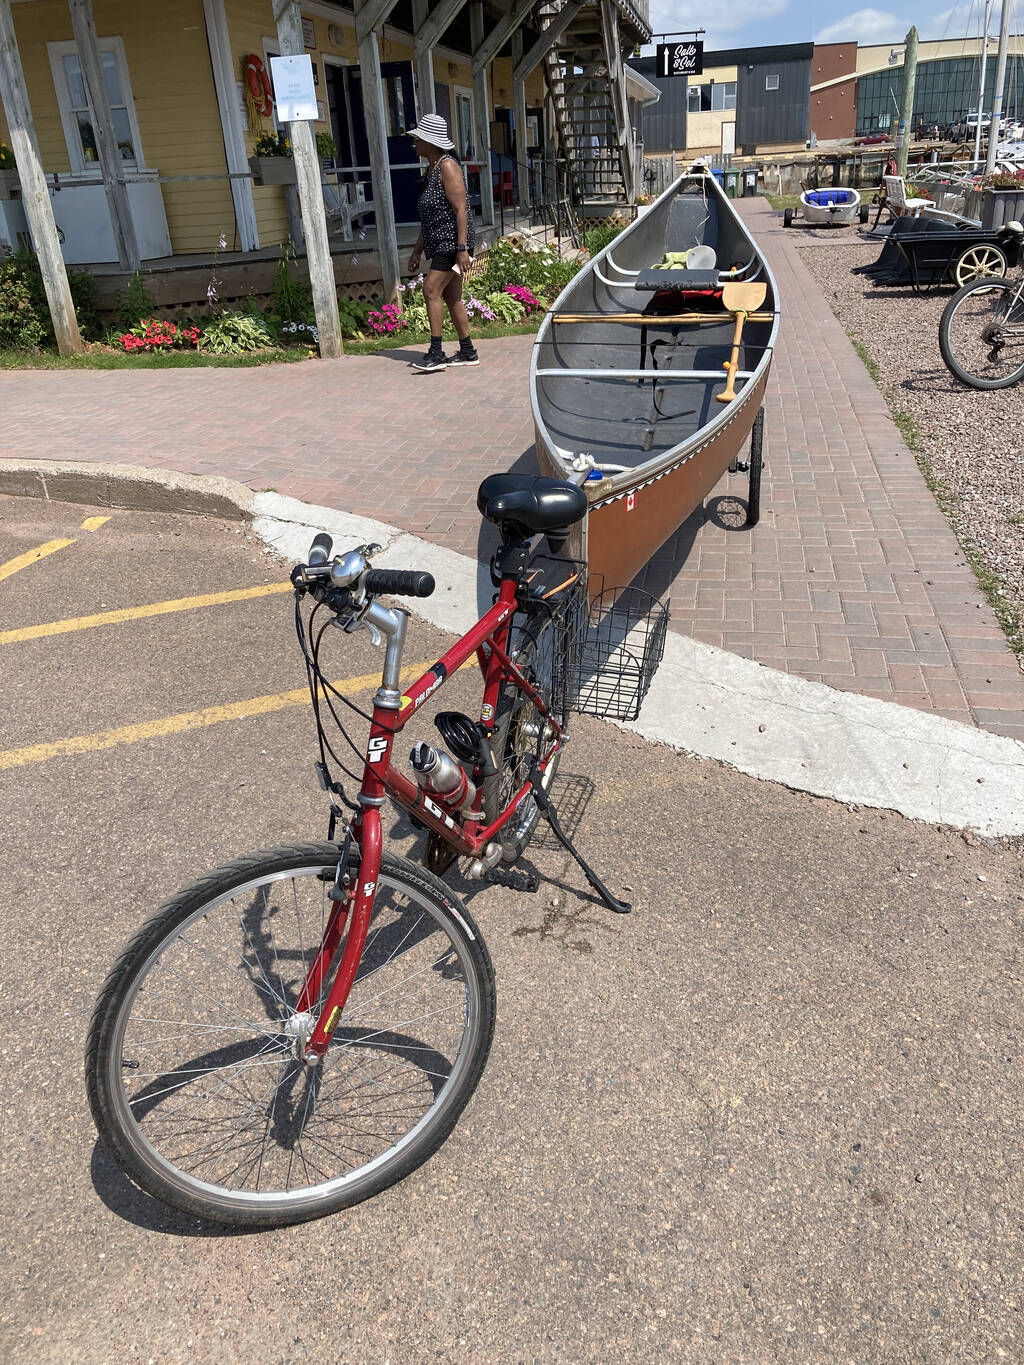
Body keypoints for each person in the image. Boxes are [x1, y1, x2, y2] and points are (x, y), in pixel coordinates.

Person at [405, 113, 478, 373]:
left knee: (430, 290)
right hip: (440, 242)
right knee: (451, 297)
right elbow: (430, 216)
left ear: (430, 142)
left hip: (452, 243)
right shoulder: (433, 167)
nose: (414, 144)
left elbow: (461, 210)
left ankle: (436, 353)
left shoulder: (448, 166)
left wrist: (462, 250)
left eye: (418, 139)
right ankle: (468, 351)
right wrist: (417, 251)